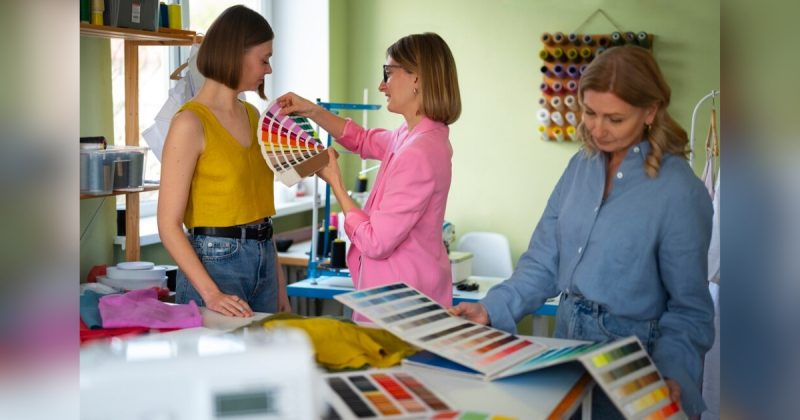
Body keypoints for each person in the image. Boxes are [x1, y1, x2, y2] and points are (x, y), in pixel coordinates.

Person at [450, 45, 714, 418]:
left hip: (637, 367)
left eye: (615, 119)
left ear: (650, 111)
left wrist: (673, 376)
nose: (598, 130)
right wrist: (491, 308)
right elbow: (543, 261)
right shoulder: (580, 166)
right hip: (567, 351)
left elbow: (690, 311)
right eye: (590, 113)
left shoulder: (680, 192)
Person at [276, 32, 461, 319]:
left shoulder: (420, 152)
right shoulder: (411, 136)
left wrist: (336, 183)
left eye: (389, 72)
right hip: (395, 295)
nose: (382, 85)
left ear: (417, 78)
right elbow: (360, 139)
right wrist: (311, 110)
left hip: (400, 303)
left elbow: (375, 242)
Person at [158, 5, 290, 317]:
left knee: (264, 364)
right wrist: (212, 294)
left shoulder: (252, 115)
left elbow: (260, 213)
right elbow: (168, 224)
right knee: (218, 365)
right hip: (216, 266)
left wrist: (279, 285)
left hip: (264, 260)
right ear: (236, 54)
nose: (268, 69)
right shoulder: (190, 123)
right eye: (264, 59)